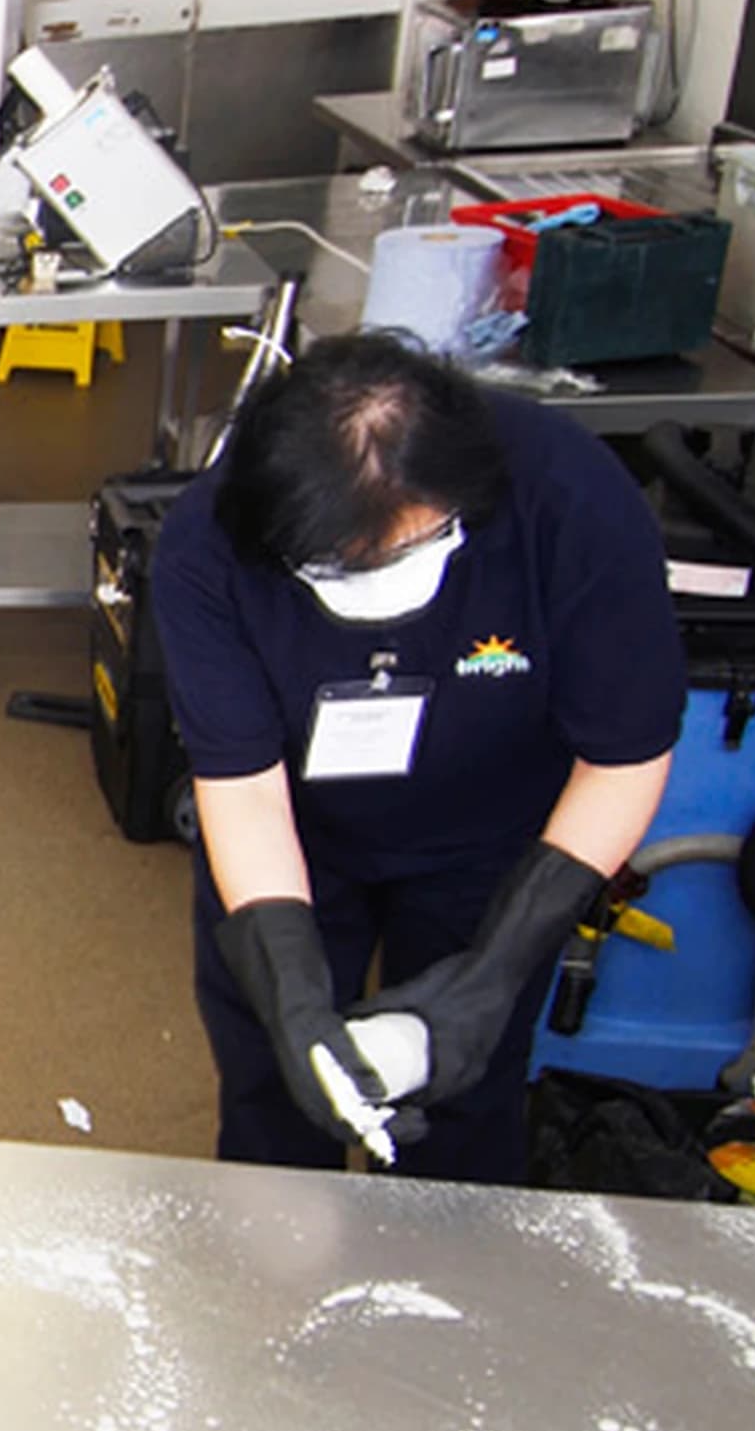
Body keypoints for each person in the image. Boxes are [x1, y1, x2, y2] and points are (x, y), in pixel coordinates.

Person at [151, 333, 682, 1183]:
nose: (362, 586)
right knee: (274, 1081)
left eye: (389, 554)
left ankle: (443, 1288)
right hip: (295, 835)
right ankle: (270, 1285)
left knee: (465, 1085)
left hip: (496, 839)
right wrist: (292, 996)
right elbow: (242, 793)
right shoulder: (207, 541)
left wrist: (493, 971)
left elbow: (623, 758)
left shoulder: (568, 500)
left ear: (456, 504)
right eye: (328, 567)